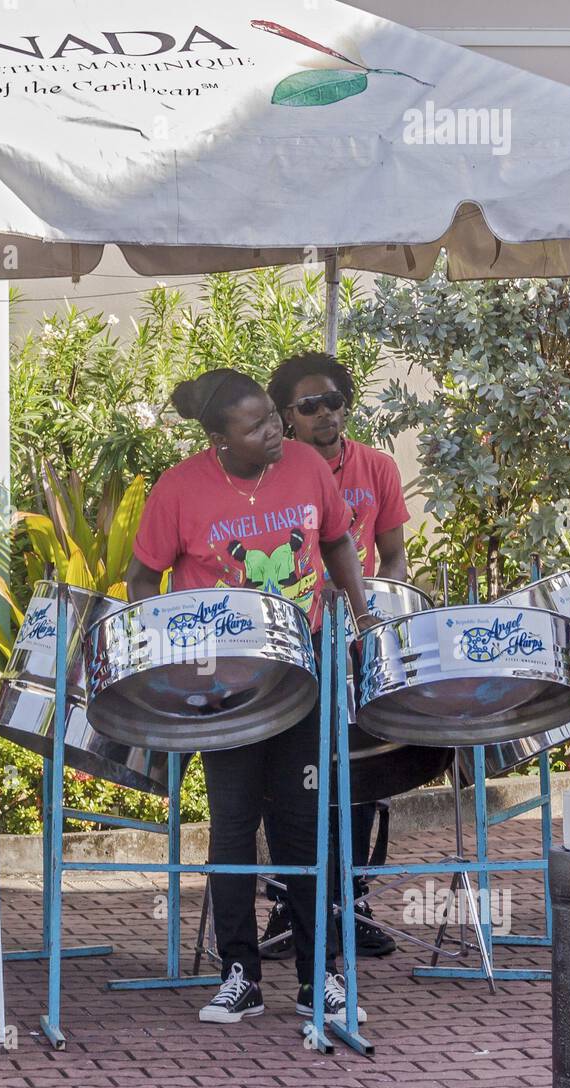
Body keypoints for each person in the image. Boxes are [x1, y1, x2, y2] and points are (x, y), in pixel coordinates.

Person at [128, 369, 381, 1026]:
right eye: (257, 425)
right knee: (235, 826)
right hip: (223, 687)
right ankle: (239, 972)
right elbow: (139, 579)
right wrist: (166, 652)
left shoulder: (304, 466)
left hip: (301, 672)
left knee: (303, 823)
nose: (275, 431)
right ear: (219, 437)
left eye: (274, 417)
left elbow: (336, 541)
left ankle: (318, 973)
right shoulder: (179, 489)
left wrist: (364, 614)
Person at [267, 352, 412, 959]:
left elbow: (394, 557)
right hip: (294, 637)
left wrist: (377, 612)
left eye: (334, 402)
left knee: (359, 771)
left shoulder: (377, 468)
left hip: (357, 639)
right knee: (293, 773)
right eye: (309, 406)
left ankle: (350, 900)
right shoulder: (275, 474)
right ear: (286, 417)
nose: (325, 415)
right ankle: (288, 904)